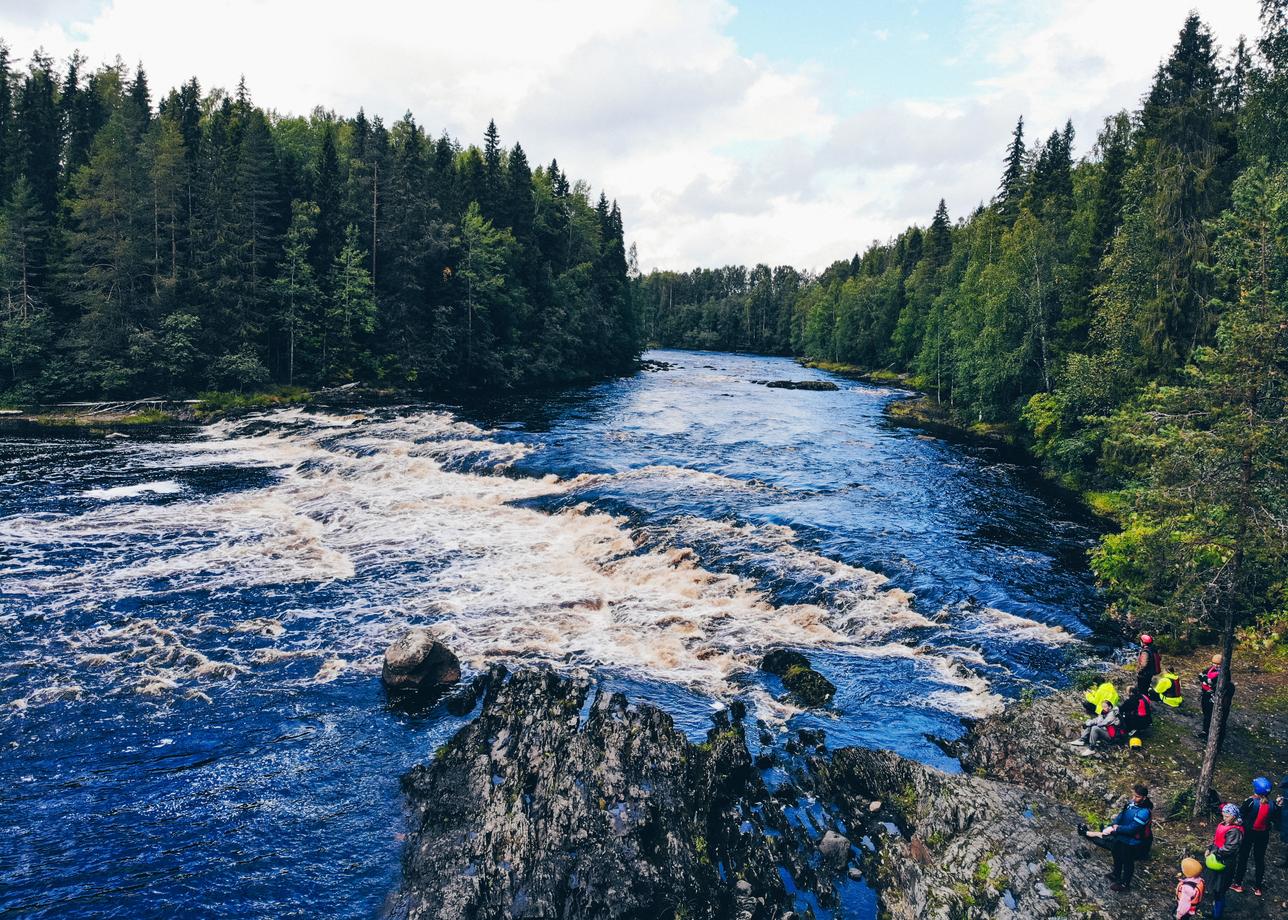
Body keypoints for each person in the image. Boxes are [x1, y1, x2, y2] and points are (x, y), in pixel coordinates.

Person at [1079, 783, 1153, 891]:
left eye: (1137, 796)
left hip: (1132, 841)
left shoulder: (1144, 812)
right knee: (1116, 853)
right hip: (1121, 836)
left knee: (1128, 861)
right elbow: (1120, 816)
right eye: (1134, 795)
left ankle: (1125, 884)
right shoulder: (1130, 804)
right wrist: (1111, 825)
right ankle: (1116, 874)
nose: (1134, 798)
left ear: (1144, 797)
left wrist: (1116, 828)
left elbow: (1132, 829)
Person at [1231, 776, 1283, 896]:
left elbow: (1240, 815)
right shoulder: (1272, 804)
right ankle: (1258, 888)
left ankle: (1237, 884)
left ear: (1255, 789)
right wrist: (1279, 806)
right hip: (1263, 835)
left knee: (1243, 858)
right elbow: (1276, 819)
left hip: (1248, 834)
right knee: (1259, 860)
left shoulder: (1250, 802)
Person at [1206, 803, 1244, 919]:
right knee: (1215, 888)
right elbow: (1217, 840)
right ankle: (1215, 909)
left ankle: (1217, 915)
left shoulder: (1235, 831)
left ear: (1233, 816)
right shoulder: (1224, 824)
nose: (1224, 818)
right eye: (1223, 815)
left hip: (1225, 863)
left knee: (1220, 890)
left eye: (1227, 816)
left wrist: (1215, 853)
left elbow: (1229, 848)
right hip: (1217, 859)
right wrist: (1210, 848)